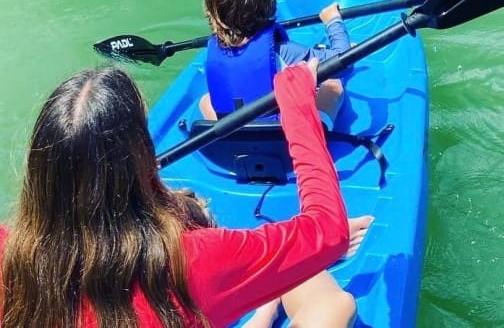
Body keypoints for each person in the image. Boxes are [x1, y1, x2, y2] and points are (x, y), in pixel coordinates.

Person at [0, 62, 373, 328]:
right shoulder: (191, 258)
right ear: (141, 157)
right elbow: (329, 229)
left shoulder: (8, 251)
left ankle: (263, 306)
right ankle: (266, 298)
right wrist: (297, 107)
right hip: (205, 271)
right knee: (332, 304)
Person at [199, 0, 351, 127]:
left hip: (232, 136)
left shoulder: (215, 50)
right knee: (333, 85)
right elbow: (343, 62)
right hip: (282, 137)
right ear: (270, 6)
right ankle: (322, 130)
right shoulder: (286, 52)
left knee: (206, 100)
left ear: (213, 12)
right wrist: (333, 21)